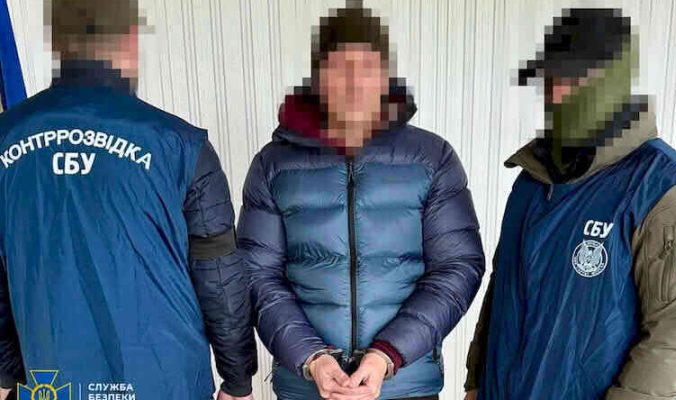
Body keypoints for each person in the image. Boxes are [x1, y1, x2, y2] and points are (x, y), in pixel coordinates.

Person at [0, 1, 256, 399]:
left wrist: (5, 373)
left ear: (58, 44)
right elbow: (220, 277)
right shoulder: (181, 146)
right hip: (167, 381)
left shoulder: (6, 139)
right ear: (131, 39)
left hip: (55, 380)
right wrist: (237, 380)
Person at [464, 8, 676, 400]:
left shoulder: (671, 193)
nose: (555, 96)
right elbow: (501, 290)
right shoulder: (532, 182)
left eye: (573, 80)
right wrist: (476, 382)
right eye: (551, 81)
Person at [236, 2, 485, 400]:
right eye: (339, 67)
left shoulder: (431, 158)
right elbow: (255, 274)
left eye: (367, 67)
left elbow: (457, 266)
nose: (354, 83)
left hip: (404, 386)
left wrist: (387, 354)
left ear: (385, 77)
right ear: (318, 78)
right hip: (307, 387)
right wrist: (312, 358)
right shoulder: (273, 165)